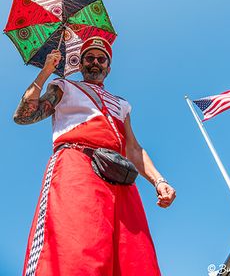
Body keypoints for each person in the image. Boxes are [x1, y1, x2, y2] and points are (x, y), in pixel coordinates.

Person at [14, 36, 176, 276]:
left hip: (120, 176)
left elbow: (133, 148)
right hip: (77, 165)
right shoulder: (64, 86)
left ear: (108, 68)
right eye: (89, 58)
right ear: (80, 65)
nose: (95, 62)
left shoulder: (122, 104)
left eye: (101, 59)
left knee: (135, 257)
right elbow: (24, 116)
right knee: (77, 249)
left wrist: (159, 181)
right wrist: (46, 72)